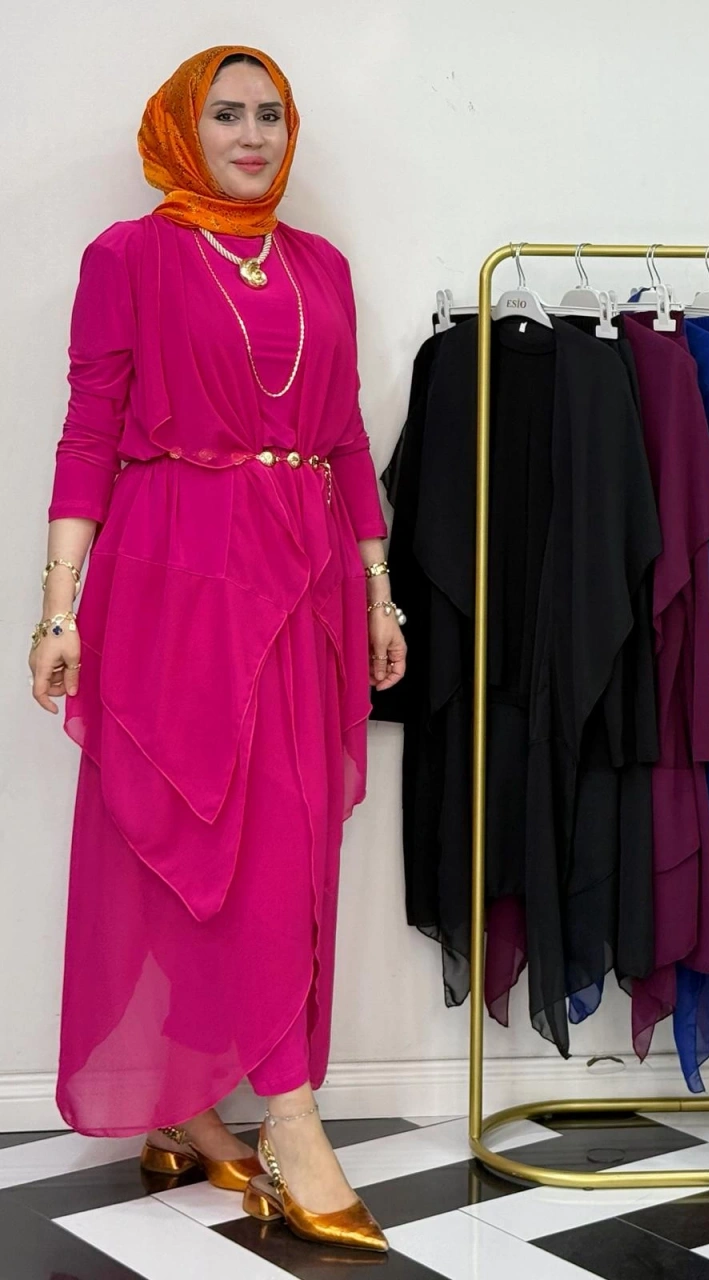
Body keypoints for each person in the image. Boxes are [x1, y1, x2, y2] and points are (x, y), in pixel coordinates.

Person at [28, 44, 405, 1253]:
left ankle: (192, 1105)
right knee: (192, 833)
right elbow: (90, 430)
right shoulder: (127, 257)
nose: (253, 135)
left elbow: (346, 438)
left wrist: (380, 594)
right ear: (185, 131)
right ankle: (283, 1120)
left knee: (284, 843)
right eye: (229, 114)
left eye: (272, 115)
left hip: (303, 580)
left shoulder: (321, 266)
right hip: (173, 578)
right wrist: (58, 608)